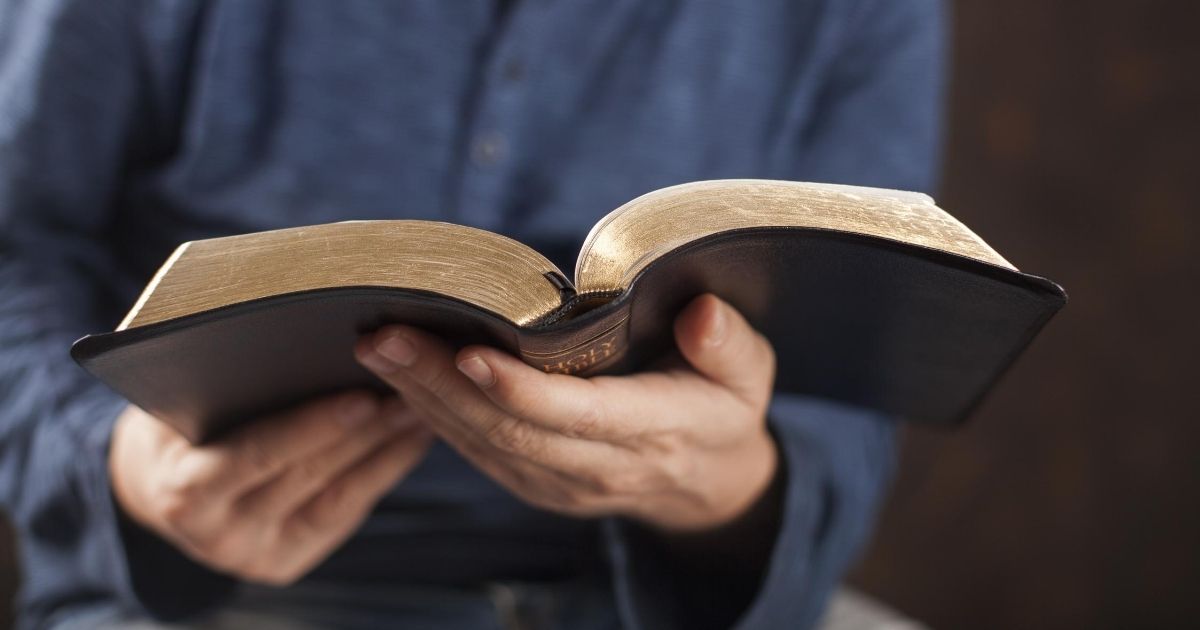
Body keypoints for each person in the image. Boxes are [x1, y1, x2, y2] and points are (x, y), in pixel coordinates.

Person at [0, 1, 944, 629]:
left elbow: (858, 380)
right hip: (214, 591)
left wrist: (734, 495)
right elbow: (16, 247)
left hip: (633, 600)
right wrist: (108, 464)